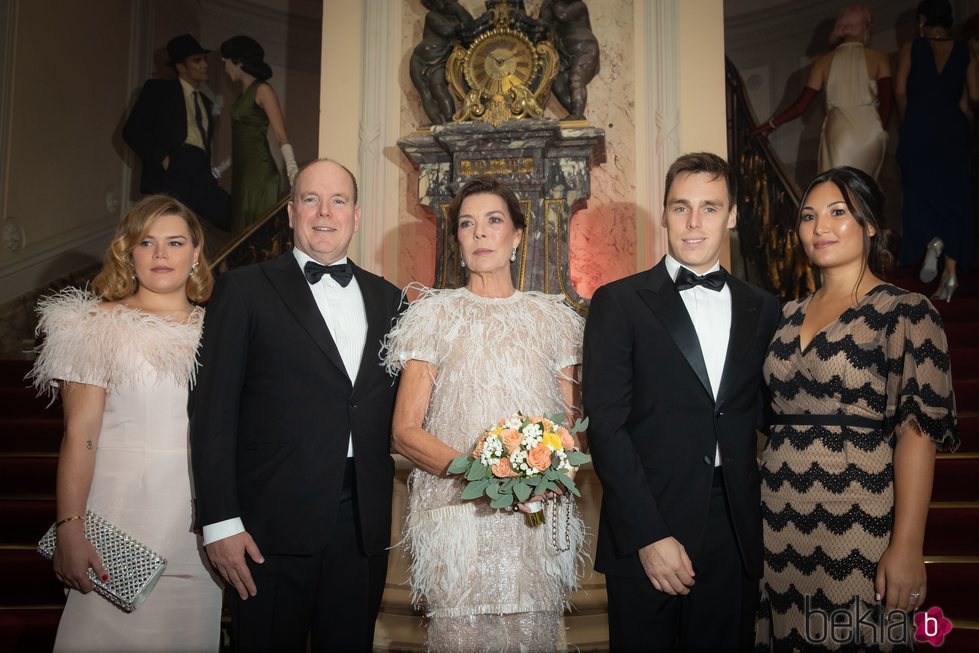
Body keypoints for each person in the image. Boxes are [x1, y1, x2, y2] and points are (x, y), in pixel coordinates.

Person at [189, 159, 403, 652]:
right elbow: (212, 412)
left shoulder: (391, 300)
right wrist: (220, 522)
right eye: (311, 199)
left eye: (338, 201)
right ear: (290, 212)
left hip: (362, 525)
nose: (324, 212)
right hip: (267, 527)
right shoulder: (242, 289)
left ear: (357, 215)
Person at [756, 166, 959, 651]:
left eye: (837, 212)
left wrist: (907, 545)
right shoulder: (782, 316)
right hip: (777, 519)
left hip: (858, 516)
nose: (819, 227)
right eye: (808, 216)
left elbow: (918, 434)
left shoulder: (907, 312)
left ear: (869, 224)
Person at [582, 152, 780, 652]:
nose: (694, 223)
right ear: (665, 212)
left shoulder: (765, 307)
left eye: (710, 208)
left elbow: (769, 413)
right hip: (648, 519)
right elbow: (606, 427)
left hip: (734, 526)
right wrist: (649, 535)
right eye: (681, 208)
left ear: (732, 215)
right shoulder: (618, 301)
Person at [382, 176, 586, 652]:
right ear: (457, 240)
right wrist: (482, 475)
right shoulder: (432, 314)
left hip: (535, 519)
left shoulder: (553, 319)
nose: (479, 234)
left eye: (493, 222)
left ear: (517, 236)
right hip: (457, 514)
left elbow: (573, 429)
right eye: (467, 224)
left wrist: (540, 470)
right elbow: (405, 430)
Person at [29, 195, 221, 651]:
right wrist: (69, 528)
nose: (160, 254)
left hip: (196, 535)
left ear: (195, 254)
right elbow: (81, 435)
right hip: (114, 529)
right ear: (127, 252)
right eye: (146, 242)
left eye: (175, 242)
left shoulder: (222, 331)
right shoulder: (95, 324)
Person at [895, 0, 979, 300]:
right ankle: (951, 273)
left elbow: (900, 92)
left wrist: (910, 124)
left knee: (921, 193)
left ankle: (932, 241)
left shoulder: (910, 48)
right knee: (955, 197)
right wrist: (961, 123)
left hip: (919, 126)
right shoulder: (964, 51)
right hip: (953, 129)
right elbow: (973, 98)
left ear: (922, 21)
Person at [755, 4, 891, 179]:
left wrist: (770, 125)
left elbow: (800, 106)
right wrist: (880, 129)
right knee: (864, 190)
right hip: (871, 132)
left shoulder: (823, 62)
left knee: (837, 186)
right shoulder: (879, 57)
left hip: (839, 132)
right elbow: (888, 102)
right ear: (865, 27)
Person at [123, 34, 230, 232]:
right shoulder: (159, 91)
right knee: (174, 229)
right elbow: (132, 131)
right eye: (196, 60)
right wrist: (162, 158)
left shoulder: (206, 103)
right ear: (181, 67)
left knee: (230, 213)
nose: (204, 64)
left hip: (200, 173)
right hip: (174, 169)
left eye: (204, 59)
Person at [220, 35, 298, 235]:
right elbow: (242, 138)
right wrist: (221, 169)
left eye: (225, 62)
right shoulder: (241, 96)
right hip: (242, 172)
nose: (225, 67)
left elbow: (281, 135)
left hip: (258, 173)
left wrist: (293, 173)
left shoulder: (263, 90)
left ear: (237, 61)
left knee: (256, 235)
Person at [410, 0, 473, 125]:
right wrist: (460, 24)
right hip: (419, 60)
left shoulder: (454, 16)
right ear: (432, 4)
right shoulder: (432, 16)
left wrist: (459, 9)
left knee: (438, 88)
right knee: (425, 92)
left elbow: (470, 26)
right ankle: (437, 122)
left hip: (439, 61)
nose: (446, 4)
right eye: (442, 1)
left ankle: (450, 121)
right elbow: (446, 31)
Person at [539, 0, 600, 121]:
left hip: (586, 50)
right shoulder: (551, 7)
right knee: (556, 82)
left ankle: (577, 114)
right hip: (564, 55)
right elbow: (543, 27)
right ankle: (575, 112)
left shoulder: (579, 6)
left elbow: (563, 14)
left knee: (576, 78)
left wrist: (551, 3)